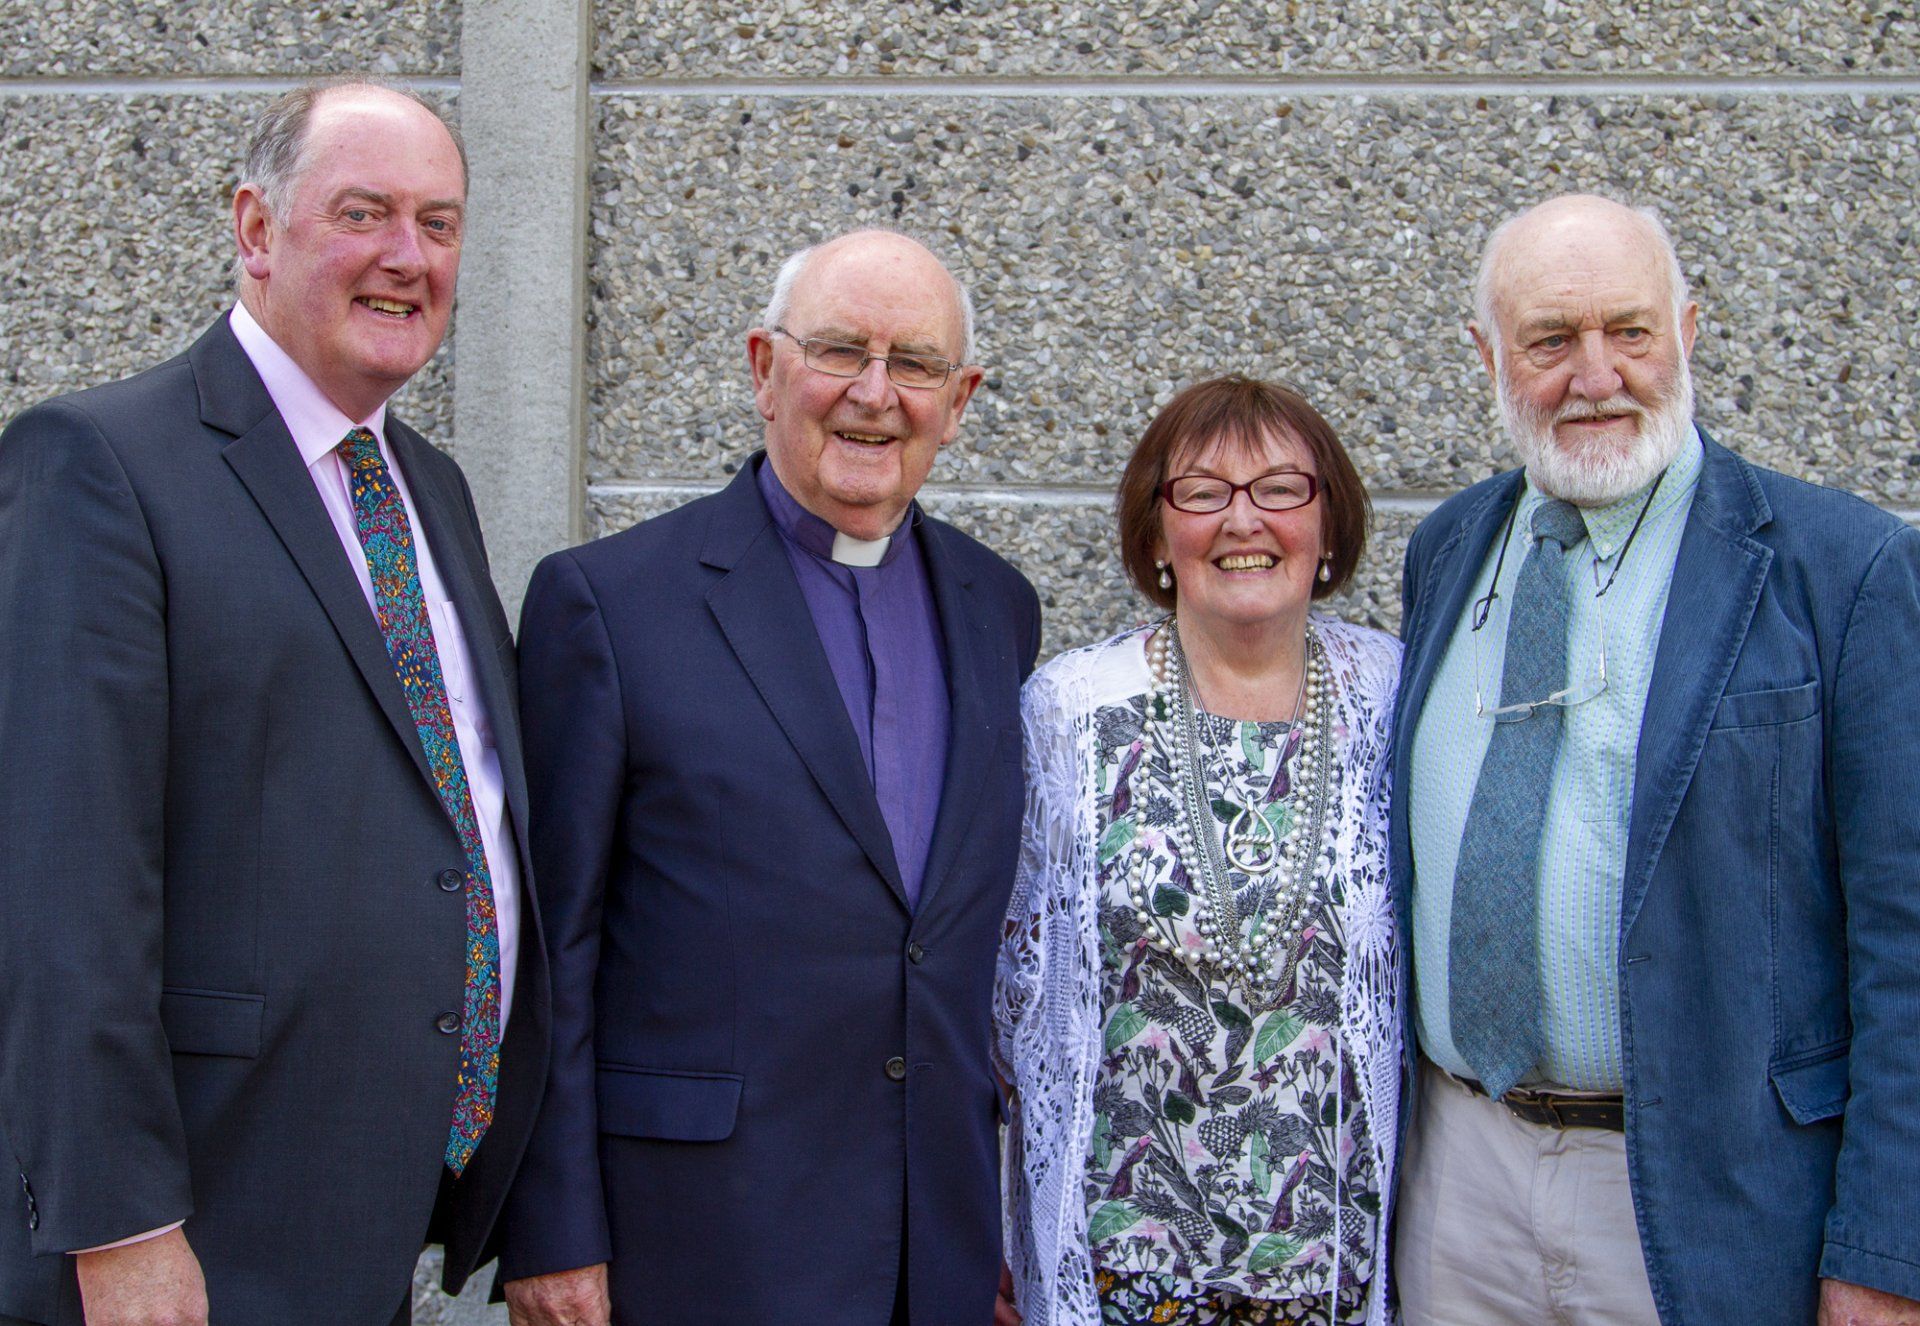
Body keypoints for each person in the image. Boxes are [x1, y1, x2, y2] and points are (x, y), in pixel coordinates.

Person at [0, 80, 549, 1326]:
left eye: (441, 224)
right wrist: (122, 1223)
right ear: (255, 228)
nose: (408, 258)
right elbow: (61, 887)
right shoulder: (103, 466)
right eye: (364, 214)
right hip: (188, 1235)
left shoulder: (430, 489)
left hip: (363, 1226)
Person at [1389, 193, 1920, 1325]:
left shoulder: (1848, 571)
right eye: (1549, 339)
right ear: (1488, 355)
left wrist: (1885, 1250)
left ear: (1689, 329)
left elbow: (1908, 937)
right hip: (1456, 1178)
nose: (1595, 375)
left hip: (1708, 1196)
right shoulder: (1448, 549)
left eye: (1629, 330)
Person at [498, 228, 1041, 1326]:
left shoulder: (999, 608)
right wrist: (548, 1230)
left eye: (917, 364)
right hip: (697, 1241)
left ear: (963, 396)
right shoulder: (609, 604)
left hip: (929, 1252)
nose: (875, 396)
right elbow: (549, 947)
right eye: (839, 350)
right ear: (764, 367)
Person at [997, 375, 1402, 1326]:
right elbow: (1005, 996)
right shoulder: (1070, 710)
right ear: (1157, 534)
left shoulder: (1392, 697)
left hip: (1331, 1264)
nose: (1242, 519)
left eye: (1280, 488)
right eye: (1203, 492)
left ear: (1329, 525)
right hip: (1122, 1257)